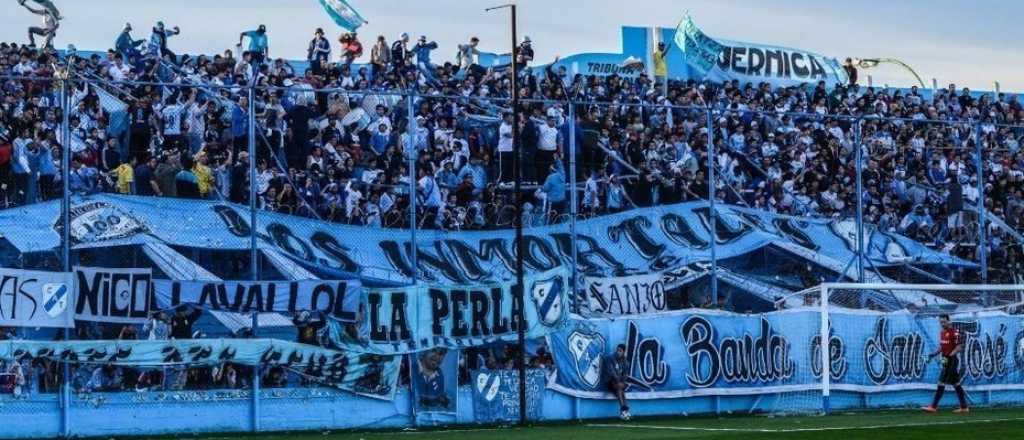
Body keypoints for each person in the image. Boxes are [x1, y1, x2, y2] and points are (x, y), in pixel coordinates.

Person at [922, 314, 969, 413]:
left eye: (944, 322)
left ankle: (933, 406)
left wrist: (949, 356)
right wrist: (933, 354)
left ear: (949, 321)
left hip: (951, 361)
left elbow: (959, 347)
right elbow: (942, 347)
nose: (942, 324)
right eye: (941, 322)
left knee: (941, 382)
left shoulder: (954, 332)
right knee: (956, 384)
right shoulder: (942, 333)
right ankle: (964, 407)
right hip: (946, 360)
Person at [604, 344, 631, 420]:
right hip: (609, 381)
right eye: (617, 350)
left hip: (619, 383)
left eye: (620, 351)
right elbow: (611, 373)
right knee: (619, 387)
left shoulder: (625, 362)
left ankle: (624, 410)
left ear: (623, 352)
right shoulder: (609, 359)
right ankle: (625, 409)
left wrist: (622, 381)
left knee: (620, 388)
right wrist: (619, 381)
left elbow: (625, 375)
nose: (618, 352)